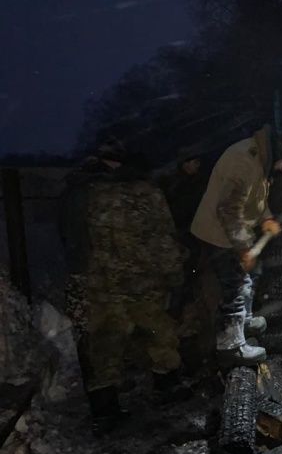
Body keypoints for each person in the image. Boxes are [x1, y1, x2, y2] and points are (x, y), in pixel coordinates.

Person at [59, 138, 192, 435]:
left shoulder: (80, 190)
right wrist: (175, 275)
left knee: (105, 343)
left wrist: (81, 275)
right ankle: (166, 388)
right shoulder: (145, 191)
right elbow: (164, 238)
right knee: (160, 336)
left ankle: (105, 409)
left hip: (101, 285)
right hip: (143, 284)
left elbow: (71, 238)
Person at [190, 124, 282, 367]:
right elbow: (228, 210)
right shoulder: (242, 161)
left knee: (253, 273)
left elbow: (257, 195)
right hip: (218, 232)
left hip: (237, 228)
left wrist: (265, 217)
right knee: (236, 284)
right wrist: (244, 248)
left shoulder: (262, 158)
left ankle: (244, 319)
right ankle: (230, 346)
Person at [157, 149, 206, 315]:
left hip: (192, 234)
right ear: (185, 164)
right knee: (182, 275)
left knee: (192, 273)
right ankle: (177, 311)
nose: (198, 165)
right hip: (181, 236)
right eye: (194, 161)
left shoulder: (196, 181)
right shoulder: (175, 184)